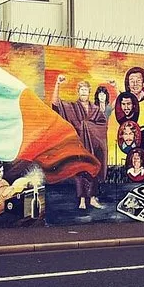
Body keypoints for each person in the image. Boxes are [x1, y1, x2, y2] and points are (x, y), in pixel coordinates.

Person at [52, 75, 107, 210]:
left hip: (93, 147)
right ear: (78, 92)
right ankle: (82, 199)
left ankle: (92, 198)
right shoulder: (72, 107)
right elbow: (56, 104)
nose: (83, 92)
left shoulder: (95, 109)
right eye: (81, 90)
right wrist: (57, 84)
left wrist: (89, 127)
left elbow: (102, 125)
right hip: (79, 146)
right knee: (80, 171)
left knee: (94, 169)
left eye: (85, 90)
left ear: (89, 92)